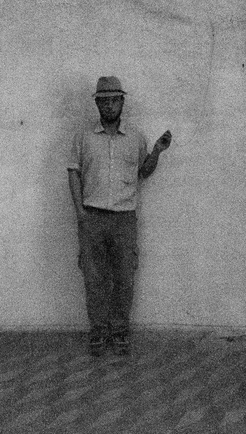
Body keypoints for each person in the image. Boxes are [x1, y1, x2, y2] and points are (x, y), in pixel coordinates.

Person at [67, 76, 172, 357]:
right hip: (92, 217)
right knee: (94, 279)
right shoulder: (83, 137)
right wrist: (80, 213)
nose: (109, 105)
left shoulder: (135, 137)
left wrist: (157, 151)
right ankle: (98, 331)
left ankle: (120, 330)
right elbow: (73, 173)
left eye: (114, 100)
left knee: (124, 278)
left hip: (124, 219)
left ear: (122, 102)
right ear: (97, 104)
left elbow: (143, 172)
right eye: (104, 101)